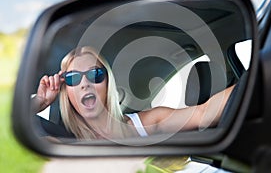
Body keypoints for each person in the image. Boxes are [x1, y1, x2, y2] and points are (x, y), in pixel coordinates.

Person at [33, 46, 235, 140]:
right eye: (72, 78)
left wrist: (257, 79)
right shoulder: (61, 141)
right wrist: (40, 101)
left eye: (95, 74)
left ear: (108, 83)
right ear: (66, 92)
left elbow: (202, 114)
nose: (85, 83)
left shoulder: (145, 124)